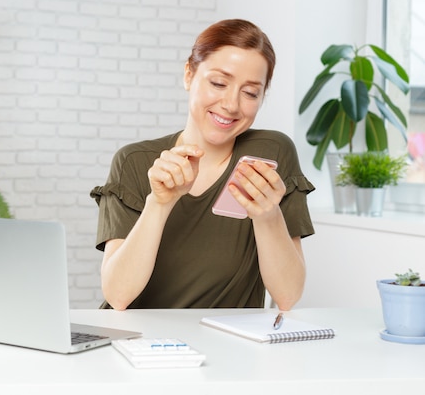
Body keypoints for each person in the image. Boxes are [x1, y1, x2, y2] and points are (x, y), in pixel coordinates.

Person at [90, 19, 315, 311]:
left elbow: (288, 296)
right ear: (189, 75)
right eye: (219, 83)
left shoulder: (270, 153)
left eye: (250, 93)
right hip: (143, 347)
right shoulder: (135, 161)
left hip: (228, 347)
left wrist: (268, 215)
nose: (231, 105)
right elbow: (118, 296)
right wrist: (159, 204)